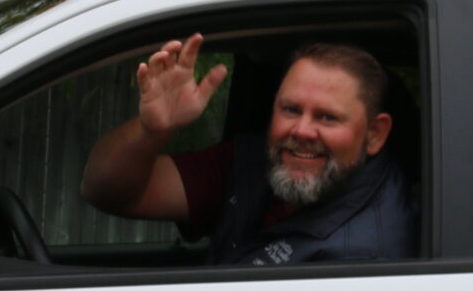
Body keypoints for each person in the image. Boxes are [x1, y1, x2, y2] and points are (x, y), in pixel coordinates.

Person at [79, 36, 418, 266]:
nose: (301, 131)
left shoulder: (366, 256)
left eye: (327, 117)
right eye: (290, 110)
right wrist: (152, 130)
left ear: (375, 134)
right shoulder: (261, 159)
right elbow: (106, 191)